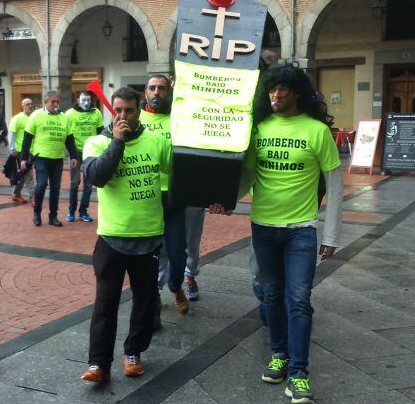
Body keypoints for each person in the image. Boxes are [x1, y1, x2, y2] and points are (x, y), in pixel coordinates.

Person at [210, 63, 343, 404]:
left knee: (298, 299)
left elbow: (336, 185)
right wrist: (226, 200)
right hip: (264, 227)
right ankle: (279, 354)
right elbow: (250, 174)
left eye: (283, 89)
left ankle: (299, 372)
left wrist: (331, 236)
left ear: (297, 92)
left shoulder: (316, 131)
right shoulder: (260, 128)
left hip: (301, 231)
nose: (276, 94)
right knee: (271, 297)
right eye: (272, 89)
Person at [80, 86, 170, 384]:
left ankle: (134, 352)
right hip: (111, 238)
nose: (122, 116)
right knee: (105, 303)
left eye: (128, 111)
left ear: (139, 110)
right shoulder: (95, 142)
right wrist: (116, 143)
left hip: (148, 236)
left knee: (144, 301)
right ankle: (98, 364)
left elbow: (181, 172)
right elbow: (98, 177)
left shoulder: (156, 142)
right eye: (117, 110)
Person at [138, 74, 189, 328]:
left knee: (178, 252)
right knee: (149, 256)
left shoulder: (178, 119)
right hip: (146, 197)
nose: (157, 92)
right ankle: (154, 307)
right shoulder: (136, 120)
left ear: (169, 92)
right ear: (145, 92)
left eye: (162, 88)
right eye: (152, 88)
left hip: (175, 197)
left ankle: (176, 285)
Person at [20, 90, 78, 227]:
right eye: (53, 101)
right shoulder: (36, 116)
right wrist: (23, 158)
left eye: (57, 101)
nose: (56, 104)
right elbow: (27, 138)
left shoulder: (64, 117)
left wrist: (74, 156)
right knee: (41, 185)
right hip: (41, 157)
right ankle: (37, 213)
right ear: (45, 102)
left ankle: (53, 216)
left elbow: (70, 139)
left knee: (55, 188)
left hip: (58, 158)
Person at [65, 91, 103, 222]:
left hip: (91, 152)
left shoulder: (96, 113)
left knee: (88, 184)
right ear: (77, 100)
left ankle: (83, 211)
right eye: (83, 100)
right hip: (76, 152)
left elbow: (100, 133)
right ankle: (71, 210)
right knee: (75, 182)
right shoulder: (70, 114)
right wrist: (68, 151)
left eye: (88, 100)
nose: (86, 103)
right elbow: (66, 134)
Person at [8, 98, 35, 203]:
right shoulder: (17, 118)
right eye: (28, 104)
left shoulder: (34, 117)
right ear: (23, 105)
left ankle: (16, 193)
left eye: (32, 104)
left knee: (23, 174)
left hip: (33, 151)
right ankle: (34, 197)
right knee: (29, 175)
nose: (31, 106)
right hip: (21, 151)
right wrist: (12, 149)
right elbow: (11, 134)